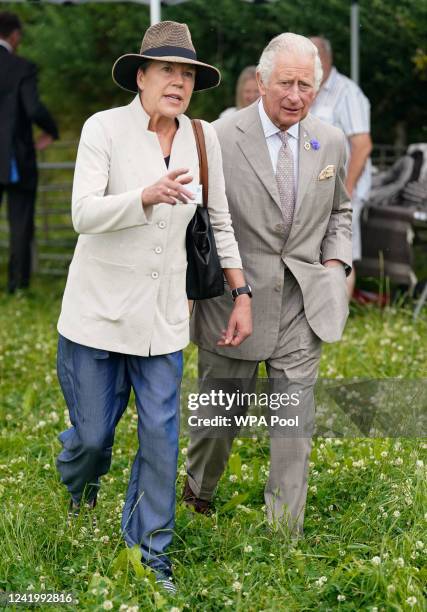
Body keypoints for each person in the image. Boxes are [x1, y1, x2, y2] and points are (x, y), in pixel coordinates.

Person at [55, 21, 251, 594]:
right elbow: (82, 214)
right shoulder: (104, 130)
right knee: (92, 439)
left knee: (162, 440)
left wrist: (241, 294)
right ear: (140, 76)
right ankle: (80, 484)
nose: (179, 83)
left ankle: (150, 555)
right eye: (167, 70)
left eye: (188, 74)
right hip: (96, 314)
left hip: (165, 320)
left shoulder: (201, 136)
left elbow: (217, 221)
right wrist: (143, 195)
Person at [184, 33, 352, 537]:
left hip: (303, 303)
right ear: (260, 82)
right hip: (234, 305)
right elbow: (199, 223)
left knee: (293, 425)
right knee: (217, 420)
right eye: (286, 83)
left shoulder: (331, 141)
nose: (295, 95)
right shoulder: (217, 137)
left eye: (306, 85)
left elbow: (340, 211)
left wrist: (336, 264)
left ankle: (284, 534)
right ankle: (199, 495)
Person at [0, 11, 58, 294]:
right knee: (20, 223)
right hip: (14, 157)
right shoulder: (22, 67)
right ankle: (17, 287)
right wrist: (52, 130)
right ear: (14, 35)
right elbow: (33, 108)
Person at [310, 37, 372, 297]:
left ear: (323, 59)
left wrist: (345, 193)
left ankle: (338, 318)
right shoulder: (308, 90)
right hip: (316, 188)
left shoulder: (347, 92)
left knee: (340, 251)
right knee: (317, 252)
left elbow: (362, 145)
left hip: (343, 188)